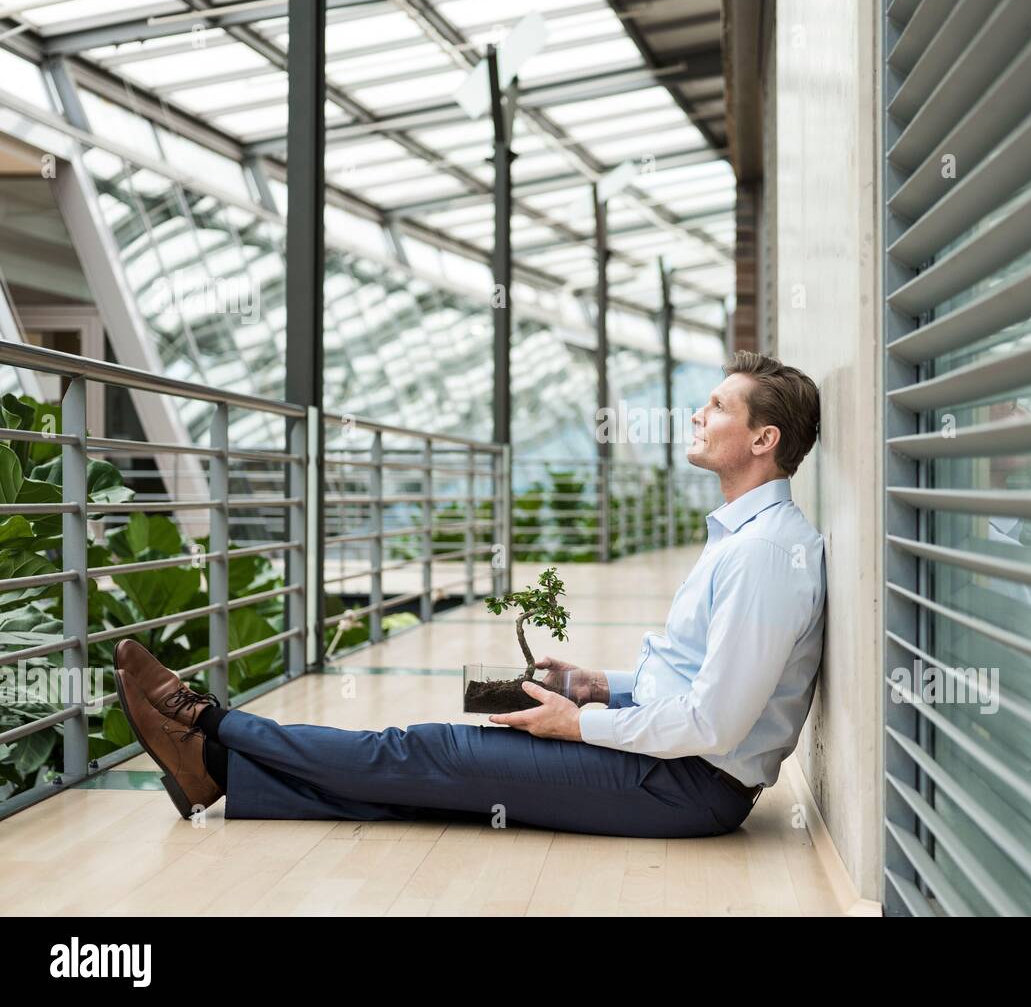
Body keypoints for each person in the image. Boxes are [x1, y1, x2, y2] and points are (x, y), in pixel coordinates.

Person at [114, 351, 827, 839]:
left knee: (433, 752)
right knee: (449, 760)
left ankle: (209, 721)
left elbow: (714, 724)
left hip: (685, 786)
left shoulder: (764, 554)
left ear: (764, 438)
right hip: (664, 759)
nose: (698, 415)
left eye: (717, 406)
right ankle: (220, 774)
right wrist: (593, 684)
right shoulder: (745, 537)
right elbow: (693, 681)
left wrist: (576, 724)